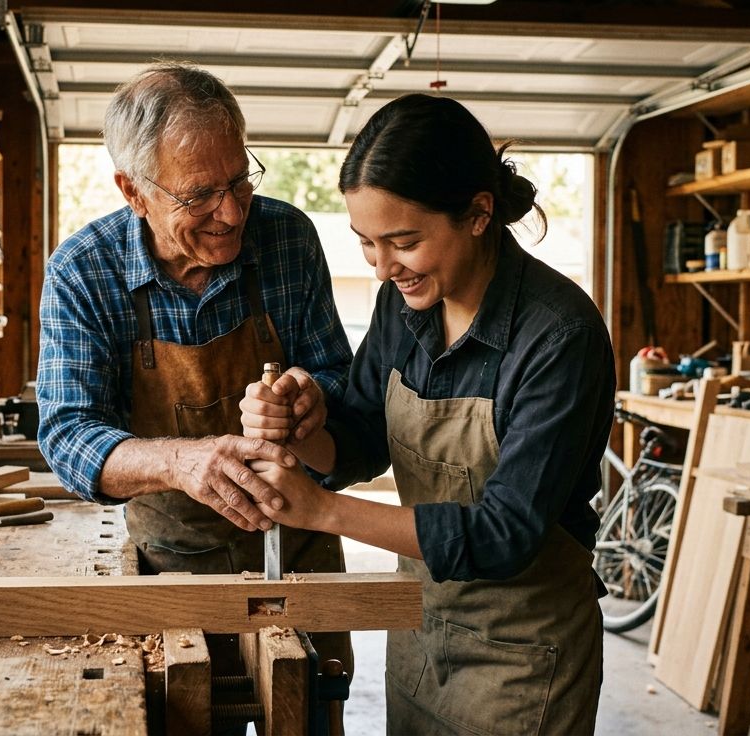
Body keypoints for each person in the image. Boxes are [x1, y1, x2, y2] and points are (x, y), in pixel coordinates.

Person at [240, 93, 614, 735]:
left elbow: (504, 535)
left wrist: (321, 512)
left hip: (524, 653)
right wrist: (305, 430)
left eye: (404, 242)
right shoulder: (405, 306)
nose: (385, 268)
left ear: (477, 214)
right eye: (366, 243)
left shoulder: (559, 337)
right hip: (423, 627)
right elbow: (359, 436)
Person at [36, 63, 354, 677]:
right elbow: (68, 435)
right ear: (134, 191)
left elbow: (338, 374)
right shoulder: (83, 272)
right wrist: (180, 462)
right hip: (171, 563)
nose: (231, 214)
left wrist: (314, 396)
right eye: (199, 195)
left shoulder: (287, 237)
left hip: (302, 547)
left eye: (240, 181)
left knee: (311, 705)